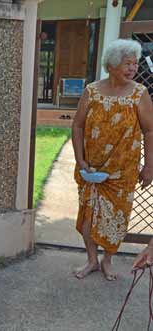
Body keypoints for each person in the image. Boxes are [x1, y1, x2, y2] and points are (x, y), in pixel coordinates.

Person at [72, 39, 153, 281]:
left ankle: (107, 261)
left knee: (116, 219)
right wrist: (80, 160)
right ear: (112, 65)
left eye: (135, 63)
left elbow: (150, 131)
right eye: (127, 63)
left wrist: (149, 166)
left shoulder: (140, 94)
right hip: (91, 168)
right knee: (88, 216)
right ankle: (91, 260)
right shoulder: (92, 91)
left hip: (123, 171)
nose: (133, 68)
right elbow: (77, 125)